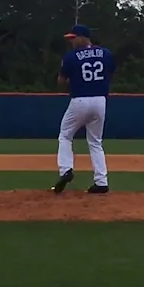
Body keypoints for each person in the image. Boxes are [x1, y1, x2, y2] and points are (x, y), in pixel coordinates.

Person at [51, 24, 115, 194]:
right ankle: (101, 182)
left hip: (80, 100)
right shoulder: (106, 53)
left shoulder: (71, 57)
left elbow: (61, 81)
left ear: (83, 37)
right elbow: (110, 73)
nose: (71, 41)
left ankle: (66, 170)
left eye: (73, 38)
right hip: (100, 101)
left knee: (65, 135)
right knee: (96, 142)